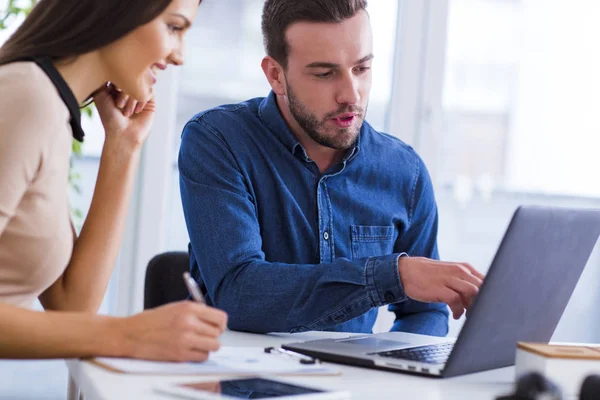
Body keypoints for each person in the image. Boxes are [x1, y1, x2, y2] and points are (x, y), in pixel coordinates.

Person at [179, 0, 484, 335]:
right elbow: (239, 294)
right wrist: (390, 276)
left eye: (362, 69)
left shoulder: (404, 172)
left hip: (356, 386)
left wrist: (394, 372)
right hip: (243, 382)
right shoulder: (218, 141)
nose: (350, 94)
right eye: (325, 74)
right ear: (276, 75)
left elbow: (425, 312)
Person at [0, 0, 227, 361]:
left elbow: (72, 309)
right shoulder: (24, 96)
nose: (179, 55)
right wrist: (130, 334)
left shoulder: (51, 107)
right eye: (174, 27)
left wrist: (124, 148)